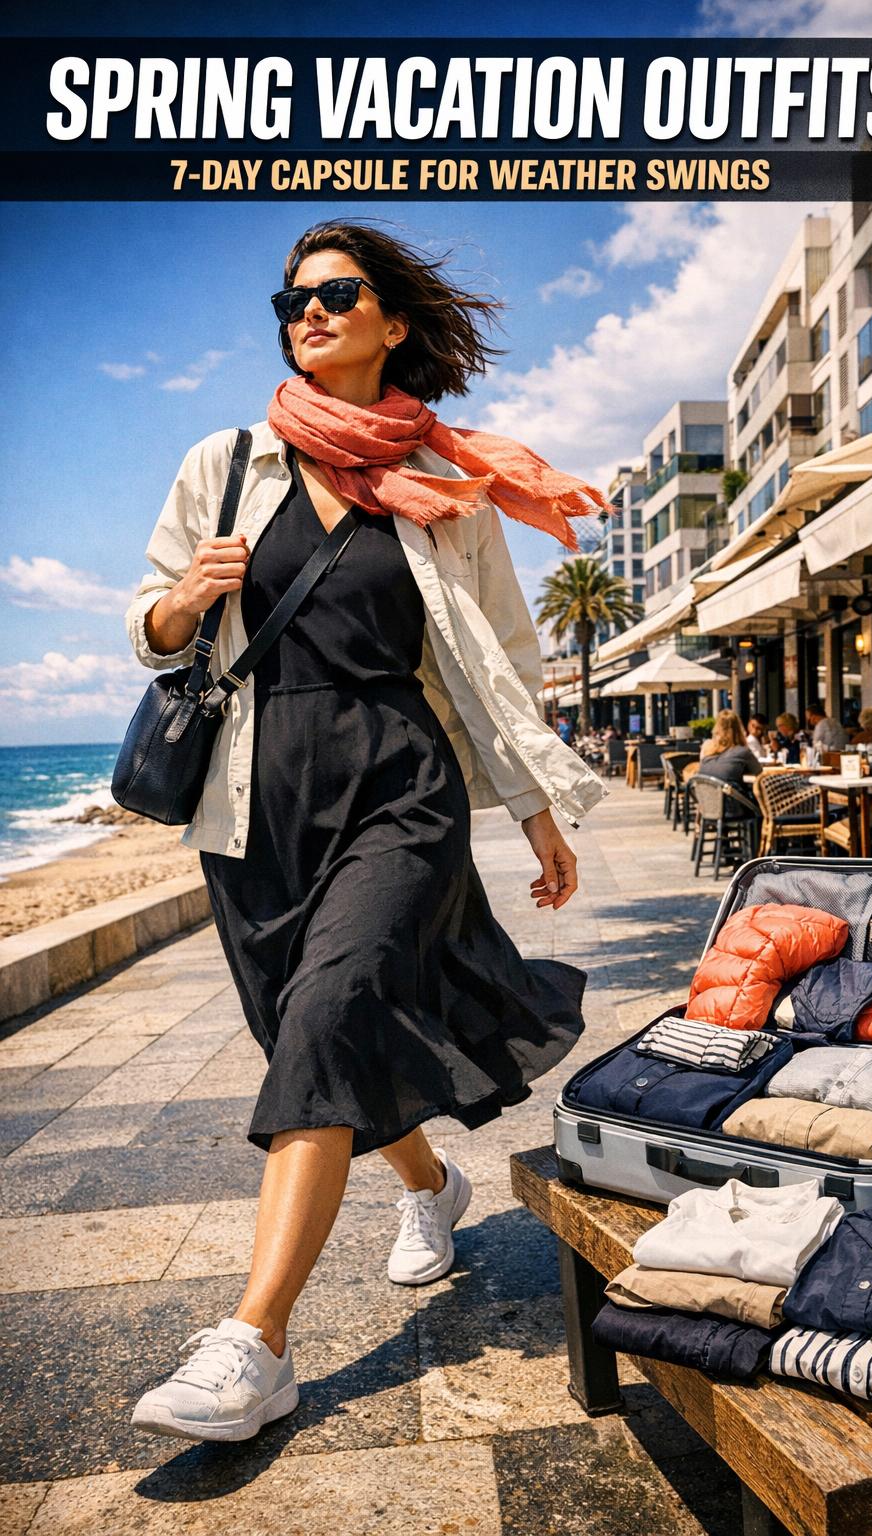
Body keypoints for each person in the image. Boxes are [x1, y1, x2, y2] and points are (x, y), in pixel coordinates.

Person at [124, 221, 610, 1444]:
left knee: (333, 1015)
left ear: (393, 322)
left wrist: (536, 807)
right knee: (308, 1040)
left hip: (402, 785)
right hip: (256, 799)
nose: (308, 310)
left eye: (337, 293)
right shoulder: (226, 461)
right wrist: (182, 602)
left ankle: (255, 1345)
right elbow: (150, 616)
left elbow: (500, 657)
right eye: (290, 297)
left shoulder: (448, 490)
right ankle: (432, 1186)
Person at [698, 709, 763, 807]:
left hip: (707, 807)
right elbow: (759, 772)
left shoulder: (706, 753)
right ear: (739, 729)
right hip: (732, 807)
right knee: (762, 804)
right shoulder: (742, 752)